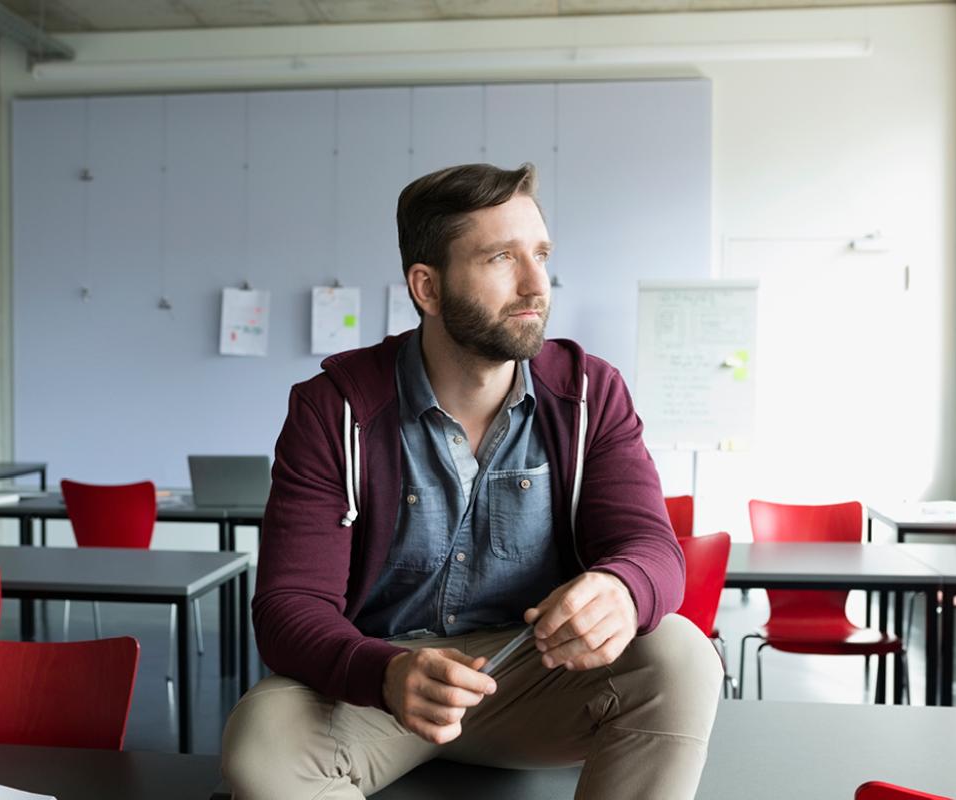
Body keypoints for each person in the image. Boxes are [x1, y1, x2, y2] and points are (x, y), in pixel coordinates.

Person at [222, 163, 721, 799]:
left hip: (537, 676)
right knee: (260, 740)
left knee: (679, 654)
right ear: (427, 287)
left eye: (540, 254)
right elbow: (289, 606)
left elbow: (653, 549)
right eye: (500, 258)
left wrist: (624, 589)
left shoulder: (592, 394)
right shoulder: (334, 408)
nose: (536, 283)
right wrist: (386, 673)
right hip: (385, 688)